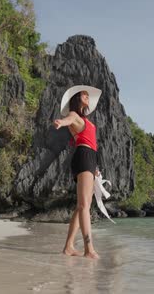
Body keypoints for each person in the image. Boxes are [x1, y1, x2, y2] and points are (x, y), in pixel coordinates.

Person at [53, 85, 102, 259]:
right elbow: (68, 119)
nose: (87, 97)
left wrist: (95, 166)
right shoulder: (74, 115)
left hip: (90, 157)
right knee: (83, 206)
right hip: (83, 155)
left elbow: (92, 143)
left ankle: (68, 246)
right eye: (84, 94)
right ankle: (89, 249)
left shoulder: (85, 119)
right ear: (76, 98)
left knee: (81, 206)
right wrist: (61, 122)